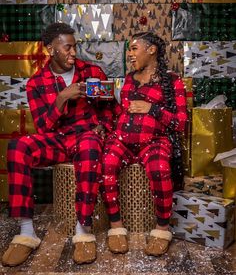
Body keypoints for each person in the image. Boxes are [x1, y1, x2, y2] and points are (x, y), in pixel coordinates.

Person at [2, 23, 116, 267]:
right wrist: (62, 97)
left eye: (75, 47)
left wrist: (102, 127)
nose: (73, 53)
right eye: (67, 48)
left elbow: (111, 109)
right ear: (50, 50)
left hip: (86, 136)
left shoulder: (92, 72)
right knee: (18, 146)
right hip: (58, 139)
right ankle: (26, 231)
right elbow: (43, 127)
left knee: (89, 145)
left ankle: (83, 230)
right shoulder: (36, 83)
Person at [100, 32, 188, 256]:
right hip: (123, 140)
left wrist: (153, 109)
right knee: (107, 163)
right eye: (129, 49)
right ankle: (116, 226)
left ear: (151, 50)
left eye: (134, 48)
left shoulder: (172, 80)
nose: (129, 54)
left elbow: (180, 123)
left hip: (154, 141)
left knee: (159, 168)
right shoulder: (129, 79)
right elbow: (122, 111)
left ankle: (161, 229)